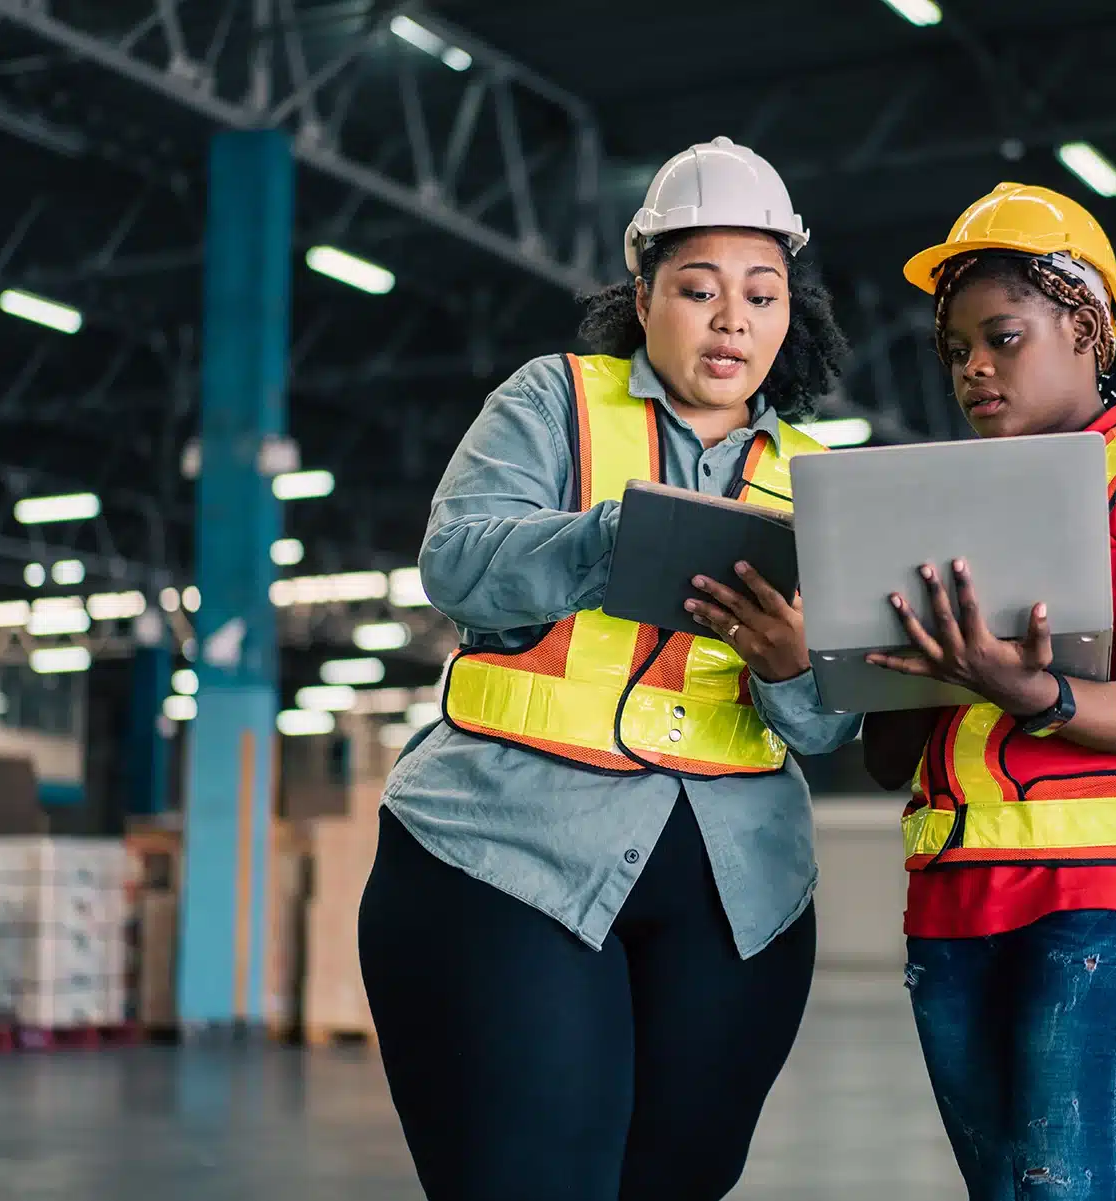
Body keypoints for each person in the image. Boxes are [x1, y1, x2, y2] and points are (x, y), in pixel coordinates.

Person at [358, 136, 860, 1201]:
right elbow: (457, 566)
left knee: (679, 1179)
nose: (733, 319)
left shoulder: (818, 480)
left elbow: (824, 728)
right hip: (505, 854)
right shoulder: (555, 402)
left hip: (738, 890)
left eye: (762, 294)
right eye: (699, 288)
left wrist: (789, 666)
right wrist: (614, 540)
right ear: (644, 295)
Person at [860, 184, 1116, 1200]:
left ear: (1084, 327)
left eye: (1001, 336)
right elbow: (885, 756)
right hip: (951, 898)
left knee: (1057, 1191)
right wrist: (861, 659)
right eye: (955, 350)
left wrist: (1020, 685)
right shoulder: (940, 502)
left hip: (1102, 899)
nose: (972, 368)